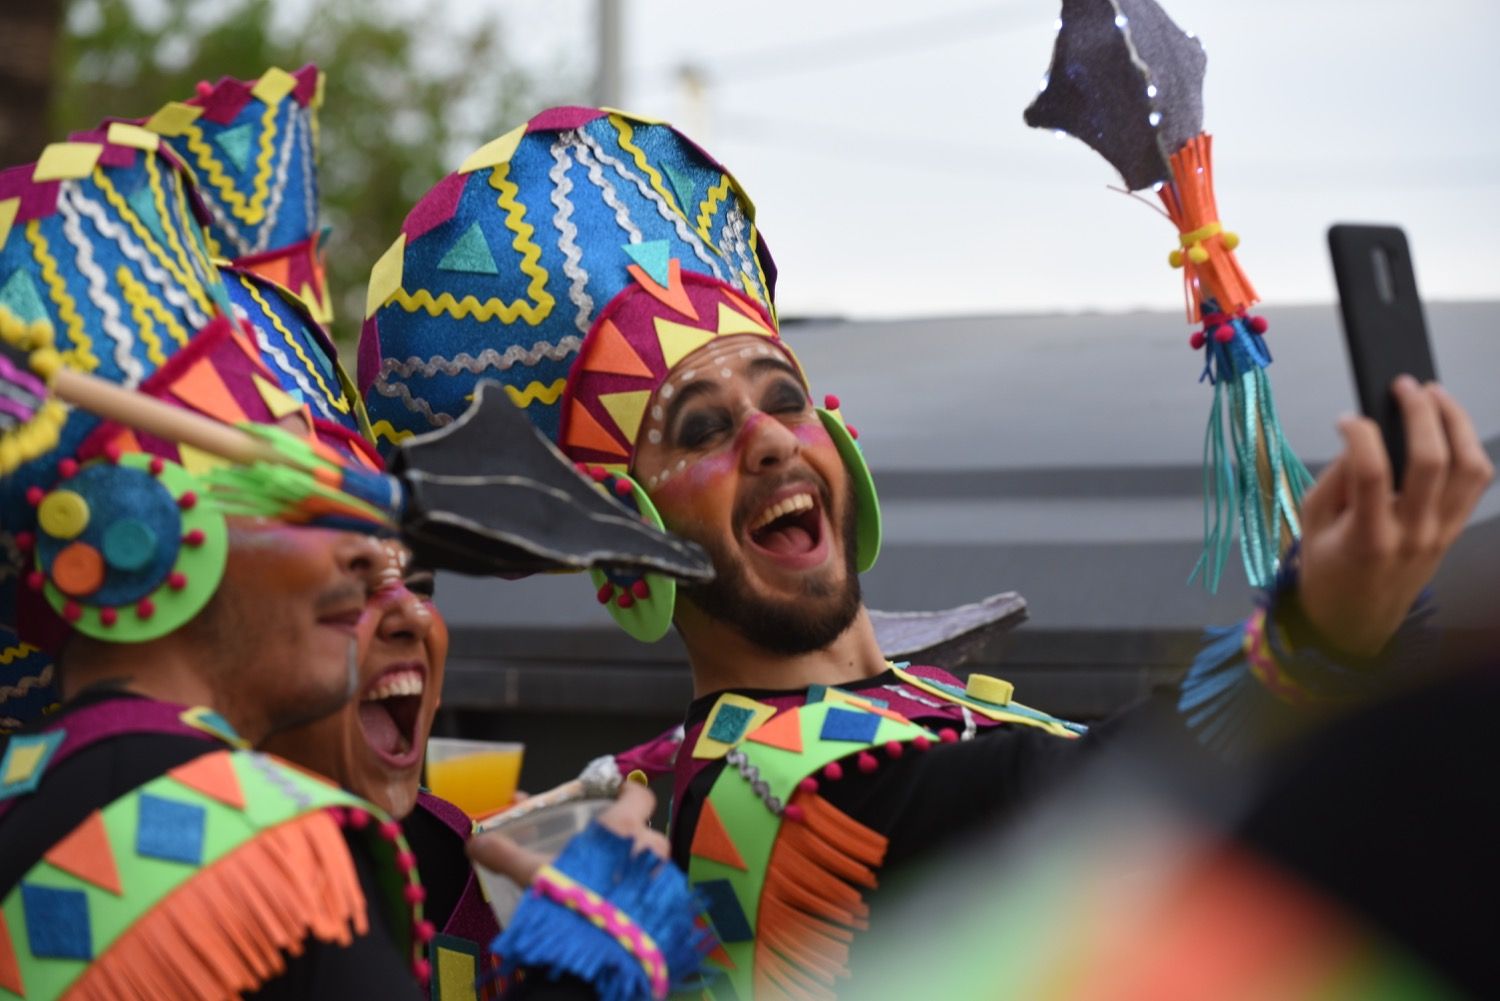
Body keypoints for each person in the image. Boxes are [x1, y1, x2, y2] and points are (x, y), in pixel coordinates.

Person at [362, 106, 1494, 997]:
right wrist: (1319, 631)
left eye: (784, 397)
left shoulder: (923, 702)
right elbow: (1092, 805)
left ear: (839, 441)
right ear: (628, 548)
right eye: (699, 430)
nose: (764, 437)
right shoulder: (748, 783)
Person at [0, 125, 708, 1000]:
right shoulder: (259, 840)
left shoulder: (26, 804)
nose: (355, 557)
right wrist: (594, 946)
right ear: (144, 533)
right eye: (305, 503)